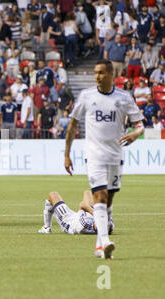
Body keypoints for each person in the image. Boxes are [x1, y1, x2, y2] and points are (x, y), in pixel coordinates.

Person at [64, 59, 145, 259]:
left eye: (101, 72)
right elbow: (72, 125)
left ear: (111, 75)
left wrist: (136, 134)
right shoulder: (86, 96)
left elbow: (140, 125)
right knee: (99, 196)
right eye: (95, 72)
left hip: (115, 156)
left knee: (108, 201)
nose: (97, 76)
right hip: (93, 155)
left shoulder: (124, 98)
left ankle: (99, 245)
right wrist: (66, 154)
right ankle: (105, 242)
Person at [37, 190, 114, 241]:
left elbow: (82, 205)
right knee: (88, 192)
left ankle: (47, 228)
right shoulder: (109, 224)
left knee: (52, 194)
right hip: (82, 216)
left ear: (95, 226)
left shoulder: (85, 225)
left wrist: (94, 214)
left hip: (69, 221)